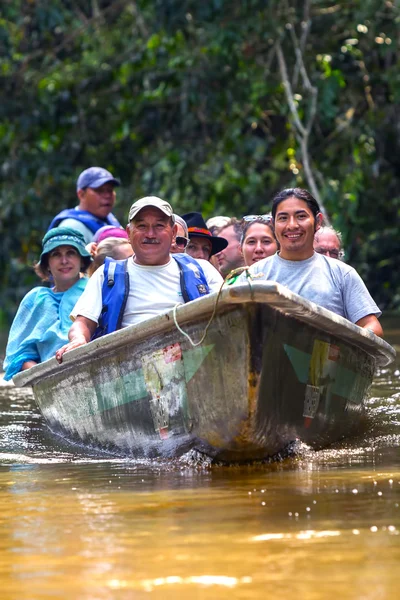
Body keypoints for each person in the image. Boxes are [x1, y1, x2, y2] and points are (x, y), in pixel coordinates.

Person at [55, 197, 224, 362]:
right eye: (142, 226)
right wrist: (79, 339)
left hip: (196, 364)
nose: (150, 234)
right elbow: (82, 323)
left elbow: (227, 311)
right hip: (127, 372)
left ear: (173, 233)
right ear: (128, 233)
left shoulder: (201, 268)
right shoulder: (107, 275)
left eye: (159, 226)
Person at [239, 188, 383, 337]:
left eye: (301, 216)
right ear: (273, 223)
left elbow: (373, 327)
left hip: (326, 358)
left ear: (318, 221)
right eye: (283, 218)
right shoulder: (252, 276)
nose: (292, 225)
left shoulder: (342, 273)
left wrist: (344, 344)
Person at [2, 228, 92, 380]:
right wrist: (45, 375)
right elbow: (18, 354)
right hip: (47, 379)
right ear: (47, 264)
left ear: (82, 260)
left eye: (71, 253)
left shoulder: (95, 289)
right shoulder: (35, 299)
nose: (64, 261)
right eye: (56, 254)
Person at [47, 167, 122, 244]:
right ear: (81, 195)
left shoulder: (110, 220)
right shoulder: (71, 228)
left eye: (110, 190)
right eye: (100, 191)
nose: (107, 195)